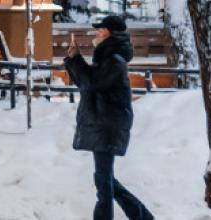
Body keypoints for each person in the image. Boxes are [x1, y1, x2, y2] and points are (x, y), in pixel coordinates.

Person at [64, 15, 152, 220]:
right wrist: (72, 59)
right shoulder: (107, 58)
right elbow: (87, 84)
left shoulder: (114, 61)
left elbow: (93, 82)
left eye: (101, 30)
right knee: (106, 179)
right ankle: (142, 216)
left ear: (111, 34)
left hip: (108, 124)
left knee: (103, 182)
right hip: (103, 123)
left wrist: (77, 59)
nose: (97, 33)